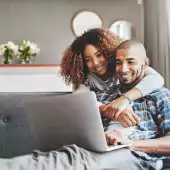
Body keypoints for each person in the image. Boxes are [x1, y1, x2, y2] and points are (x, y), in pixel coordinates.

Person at [60, 28, 164, 125]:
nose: (95, 63)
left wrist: (125, 99)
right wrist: (111, 110)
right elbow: (80, 100)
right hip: (106, 116)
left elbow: (157, 79)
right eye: (88, 59)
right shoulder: (84, 77)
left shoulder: (121, 66)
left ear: (108, 52)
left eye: (99, 55)